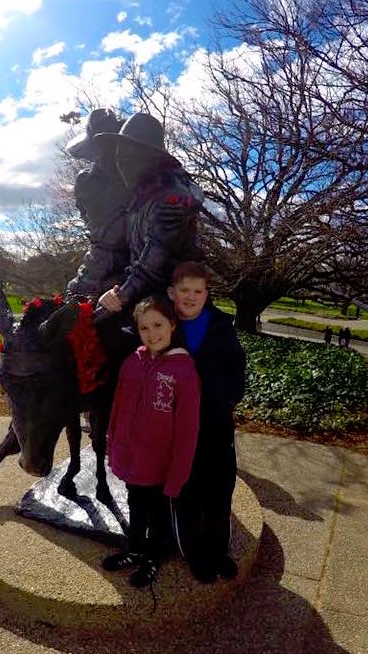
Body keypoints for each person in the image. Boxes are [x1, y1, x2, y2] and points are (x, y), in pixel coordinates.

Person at [102, 295, 201, 588]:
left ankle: (152, 559)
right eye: (144, 328)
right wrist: (112, 447)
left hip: (161, 468)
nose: (152, 333)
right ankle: (133, 550)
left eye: (158, 325)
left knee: (157, 518)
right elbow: (117, 410)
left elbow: (188, 431)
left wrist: (177, 476)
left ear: (172, 325)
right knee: (136, 507)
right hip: (133, 461)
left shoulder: (184, 372)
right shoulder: (131, 362)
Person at [168, 262, 246, 583]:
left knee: (219, 489)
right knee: (186, 492)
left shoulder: (221, 326)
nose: (190, 297)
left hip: (216, 425)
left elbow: (237, 365)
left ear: (206, 294)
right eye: (184, 290)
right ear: (172, 292)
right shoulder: (164, 326)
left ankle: (218, 550)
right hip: (179, 430)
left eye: (197, 291)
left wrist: (229, 399)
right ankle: (195, 555)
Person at [93, 113, 204, 317]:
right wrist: (109, 293)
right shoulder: (138, 200)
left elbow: (149, 270)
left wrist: (106, 309)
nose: (123, 166)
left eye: (130, 158)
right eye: (119, 159)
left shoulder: (168, 200)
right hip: (146, 302)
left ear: (151, 159)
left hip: (173, 312)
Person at [63, 108, 132, 302]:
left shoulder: (140, 178)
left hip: (137, 262)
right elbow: (92, 223)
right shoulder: (87, 181)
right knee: (74, 298)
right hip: (100, 262)